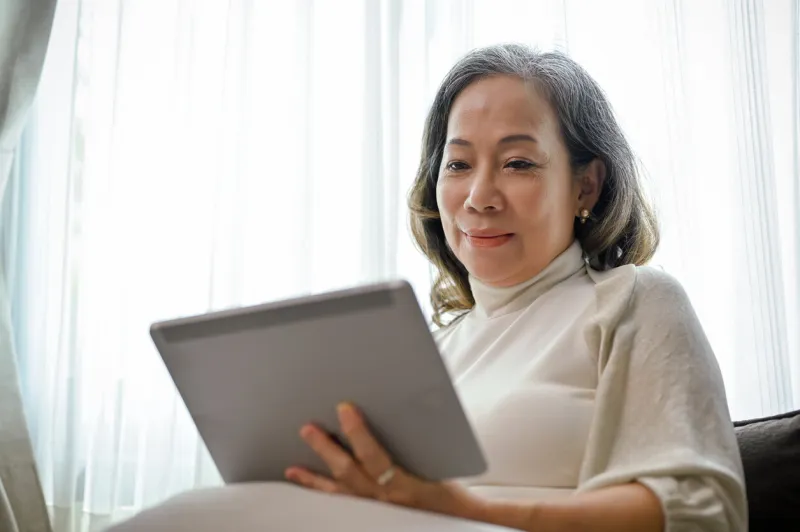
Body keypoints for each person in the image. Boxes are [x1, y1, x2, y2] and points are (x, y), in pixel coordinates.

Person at [283, 44, 748, 531]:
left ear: (586, 186)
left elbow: (703, 513)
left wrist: (471, 512)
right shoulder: (423, 354)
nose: (479, 197)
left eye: (518, 163)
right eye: (458, 165)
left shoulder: (634, 302)